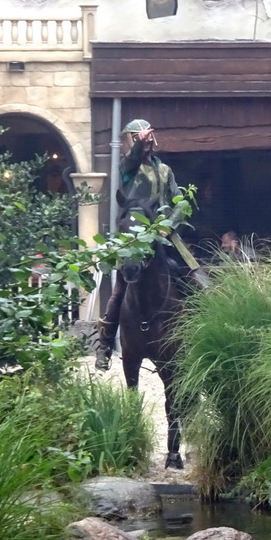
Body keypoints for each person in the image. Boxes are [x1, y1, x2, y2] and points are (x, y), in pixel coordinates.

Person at [95, 119, 198, 371]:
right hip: (136, 236)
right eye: (141, 138)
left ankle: (200, 339)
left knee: (196, 279)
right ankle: (104, 347)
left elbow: (180, 204)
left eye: (149, 137)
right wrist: (138, 145)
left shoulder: (165, 170)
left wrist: (168, 225)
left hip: (164, 234)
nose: (148, 141)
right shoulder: (128, 168)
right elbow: (131, 160)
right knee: (120, 291)